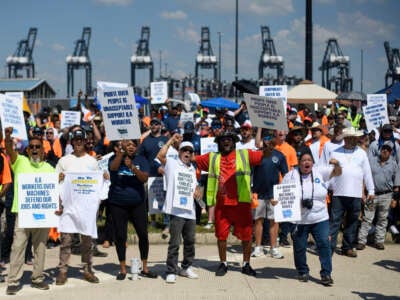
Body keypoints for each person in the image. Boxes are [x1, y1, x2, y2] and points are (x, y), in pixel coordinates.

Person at [195, 131, 263, 277]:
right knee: (221, 236)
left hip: (242, 203)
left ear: (234, 142)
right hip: (221, 204)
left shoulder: (244, 154)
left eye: (229, 140)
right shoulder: (212, 157)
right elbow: (191, 161)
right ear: (218, 143)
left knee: (246, 235)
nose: (226, 142)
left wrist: (269, 147)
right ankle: (223, 263)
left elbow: (264, 156)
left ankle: (246, 264)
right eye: (223, 140)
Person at [4, 127, 54, 295]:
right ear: (27, 150)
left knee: (40, 248)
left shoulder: (49, 169)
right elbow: (10, 150)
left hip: (42, 216)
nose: (34, 149)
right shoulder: (20, 162)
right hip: (23, 214)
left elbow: (55, 191)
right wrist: (8, 136)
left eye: (37, 147)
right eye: (31, 147)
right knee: (17, 247)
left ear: (43, 149)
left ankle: (38, 278)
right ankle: (13, 281)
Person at [55, 128, 107, 285]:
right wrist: (59, 178)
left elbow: (98, 183)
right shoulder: (64, 161)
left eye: (81, 140)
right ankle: (62, 271)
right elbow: (54, 182)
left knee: (87, 240)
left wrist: (104, 178)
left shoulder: (92, 162)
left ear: (85, 142)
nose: (78, 142)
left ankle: (87, 269)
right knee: (66, 241)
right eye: (75, 140)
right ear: (71, 142)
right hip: (69, 207)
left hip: (86, 209)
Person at [283, 152, 337, 286]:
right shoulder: (290, 175)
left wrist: (336, 163)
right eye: (303, 160)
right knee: (300, 247)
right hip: (299, 220)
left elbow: (338, 171)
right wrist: (275, 202)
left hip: (320, 217)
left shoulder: (320, 172)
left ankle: (326, 274)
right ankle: (302, 271)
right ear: (299, 162)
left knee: (324, 244)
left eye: (309, 160)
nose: (306, 162)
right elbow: (282, 196)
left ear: (313, 163)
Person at [108, 139, 157, 280]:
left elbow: (144, 179)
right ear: (123, 146)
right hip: (117, 203)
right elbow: (113, 168)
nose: (131, 147)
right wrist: (121, 154)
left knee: (143, 234)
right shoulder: (115, 157)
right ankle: (123, 269)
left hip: (137, 204)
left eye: (133, 145)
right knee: (120, 236)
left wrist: (133, 168)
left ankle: (145, 268)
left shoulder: (141, 159)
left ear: (137, 147)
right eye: (128, 144)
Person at [328, 127, 375, 257]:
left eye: (354, 138)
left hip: (355, 193)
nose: (352, 140)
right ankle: (330, 247)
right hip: (338, 192)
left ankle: (347, 247)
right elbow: (329, 171)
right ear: (345, 139)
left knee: (352, 221)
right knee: (335, 221)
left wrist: (371, 189)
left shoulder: (361, 153)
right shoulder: (335, 152)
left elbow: (367, 173)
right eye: (349, 138)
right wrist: (327, 187)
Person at [158, 139, 198, 283]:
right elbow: (160, 156)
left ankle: (186, 268)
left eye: (190, 151)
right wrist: (169, 142)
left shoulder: (192, 168)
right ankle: (171, 270)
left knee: (190, 242)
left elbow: (195, 186)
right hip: (176, 211)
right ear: (179, 152)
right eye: (184, 150)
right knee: (175, 242)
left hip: (190, 211)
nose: (187, 153)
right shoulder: (172, 163)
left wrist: (197, 191)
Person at [357, 141, 400, 250]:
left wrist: (395, 198)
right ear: (380, 149)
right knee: (367, 218)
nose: (385, 151)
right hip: (372, 195)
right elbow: (363, 177)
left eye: (388, 149)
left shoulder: (394, 164)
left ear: (391, 152)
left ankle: (379, 241)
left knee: (382, 219)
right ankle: (361, 241)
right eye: (384, 148)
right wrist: (362, 192)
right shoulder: (371, 161)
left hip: (387, 195)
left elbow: (396, 184)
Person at [251, 131, 288, 259]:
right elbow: (250, 174)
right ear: (262, 140)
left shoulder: (280, 155)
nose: (268, 141)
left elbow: (286, 175)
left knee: (274, 221)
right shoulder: (256, 154)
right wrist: (251, 191)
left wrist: (283, 193)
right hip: (258, 194)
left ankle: (274, 248)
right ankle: (257, 247)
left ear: (274, 139)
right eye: (265, 138)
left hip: (274, 195)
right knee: (258, 221)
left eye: (270, 138)